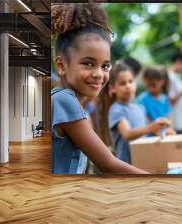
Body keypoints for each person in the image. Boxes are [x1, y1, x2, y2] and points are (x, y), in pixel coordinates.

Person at [51, 3, 147, 174]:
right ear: (61, 65)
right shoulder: (64, 100)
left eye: (105, 66)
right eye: (88, 63)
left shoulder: (78, 107)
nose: (98, 74)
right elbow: (108, 164)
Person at [99, 63, 171, 164]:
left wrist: (163, 130)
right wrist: (151, 127)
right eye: (122, 83)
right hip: (126, 164)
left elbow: (145, 132)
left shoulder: (140, 107)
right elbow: (127, 134)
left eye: (131, 81)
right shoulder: (117, 109)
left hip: (142, 161)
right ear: (113, 88)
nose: (128, 86)